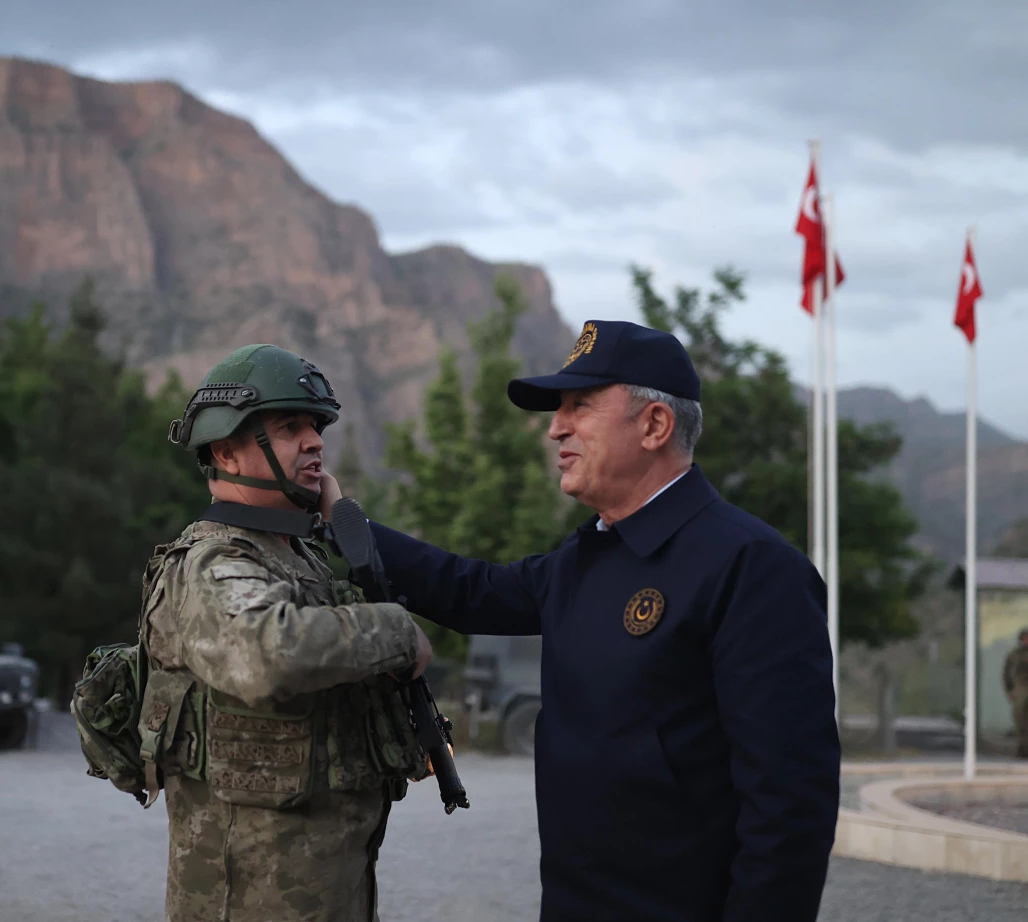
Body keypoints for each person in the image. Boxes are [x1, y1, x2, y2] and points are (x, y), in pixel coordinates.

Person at [320, 320, 842, 922]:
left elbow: (789, 809)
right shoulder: (587, 557)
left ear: (654, 425)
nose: (555, 428)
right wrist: (339, 518)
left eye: (581, 406)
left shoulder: (750, 567)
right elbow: (469, 591)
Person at [142, 344, 433, 922]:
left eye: (316, 425)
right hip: (249, 900)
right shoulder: (211, 560)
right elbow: (265, 655)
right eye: (289, 426)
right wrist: (396, 631)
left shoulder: (297, 555)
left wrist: (341, 523)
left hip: (325, 890)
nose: (315, 441)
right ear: (226, 449)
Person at [1003, 628, 1028, 757]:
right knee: (1020, 721)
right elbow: (1007, 674)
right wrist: (1009, 691)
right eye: (1025, 638)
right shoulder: (1014, 655)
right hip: (1020, 691)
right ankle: (1023, 748)